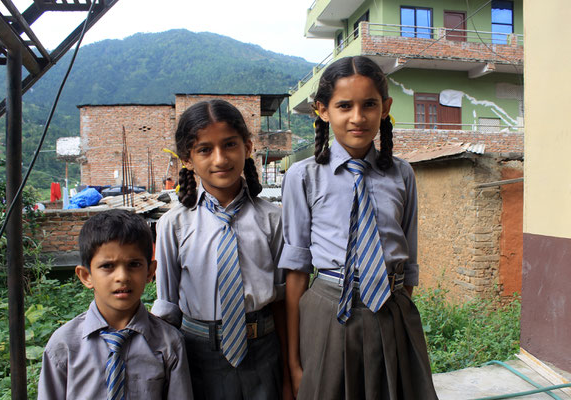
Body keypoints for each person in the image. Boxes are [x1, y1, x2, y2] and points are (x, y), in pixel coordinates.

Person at [280, 56, 438, 400]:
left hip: (392, 309)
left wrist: (393, 310)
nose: (357, 117)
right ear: (322, 110)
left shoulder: (401, 174)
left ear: (385, 108)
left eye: (369, 104)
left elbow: (408, 262)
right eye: (344, 106)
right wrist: (292, 361)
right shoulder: (303, 176)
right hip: (328, 310)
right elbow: (296, 270)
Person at [152, 99, 290, 400]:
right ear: (187, 159)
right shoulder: (173, 226)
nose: (220, 159)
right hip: (197, 354)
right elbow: (167, 309)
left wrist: (289, 373)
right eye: (205, 149)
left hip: (263, 350)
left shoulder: (273, 219)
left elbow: (282, 300)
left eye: (229, 145)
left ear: (248, 147)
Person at [38, 209, 193, 400]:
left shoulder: (168, 344)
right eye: (107, 266)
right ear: (86, 276)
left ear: (150, 272)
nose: (122, 277)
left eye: (134, 264)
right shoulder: (64, 346)